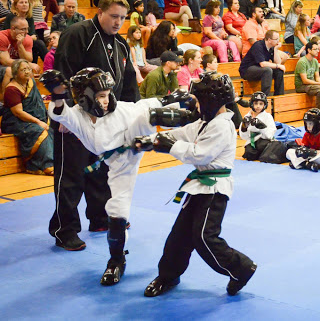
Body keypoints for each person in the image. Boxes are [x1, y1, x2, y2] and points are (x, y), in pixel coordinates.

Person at [42, 67, 194, 285]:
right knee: (117, 214)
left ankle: (195, 119)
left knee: (148, 115)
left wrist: (172, 99)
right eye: (100, 96)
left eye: (107, 95)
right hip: (118, 163)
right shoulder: (77, 115)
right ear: (85, 98)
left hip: (134, 139)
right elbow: (60, 112)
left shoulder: (122, 110)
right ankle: (116, 260)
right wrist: (57, 93)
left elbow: (145, 105)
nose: (105, 101)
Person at [133, 72, 257, 298]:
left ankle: (241, 268)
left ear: (211, 102)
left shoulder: (222, 126)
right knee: (179, 235)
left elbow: (200, 155)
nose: (197, 106)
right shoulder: (204, 123)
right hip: (199, 187)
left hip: (215, 190)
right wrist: (149, 141)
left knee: (204, 237)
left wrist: (168, 146)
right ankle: (168, 275)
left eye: (199, 101)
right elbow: (180, 133)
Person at [48, 0, 139, 251]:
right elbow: (63, 73)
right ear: (99, 11)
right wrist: (65, 113)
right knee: (71, 176)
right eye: (113, 16)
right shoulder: (78, 34)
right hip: (76, 119)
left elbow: (129, 83)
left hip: (107, 120)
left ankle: (100, 218)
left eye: (122, 17)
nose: (118, 22)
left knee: (101, 171)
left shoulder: (121, 44)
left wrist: (132, 117)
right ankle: (64, 230)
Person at [1, 59, 53, 175]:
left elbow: (38, 103)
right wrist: (38, 122)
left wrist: (44, 118)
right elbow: (18, 113)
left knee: (53, 127)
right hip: (14, 122)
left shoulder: (31, 82)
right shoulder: (11, 89)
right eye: (23, 70)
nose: (27, 72)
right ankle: (46, 165)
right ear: (15, 73)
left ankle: (48, 163)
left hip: (32, 118)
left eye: (28, 69)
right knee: (39, 131)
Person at [295, 41, 320, 119]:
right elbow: (305, 80)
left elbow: (317, 78)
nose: (318, 51)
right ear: (309, 50)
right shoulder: (302, 62)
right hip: (302, 86)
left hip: (311, 84)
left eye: (318, 49)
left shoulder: (315, 61)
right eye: (315, 49)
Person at [4, 0, 48, 65]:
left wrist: (28, 38)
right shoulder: (11, 17)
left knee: (37, 44)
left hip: (26, 40)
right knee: (36, 43)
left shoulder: (29, 17)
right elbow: (8, 33)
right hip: (12, 42)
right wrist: (28, 37)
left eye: (26, 2)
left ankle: (49, 63)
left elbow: (33, 34)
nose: (24, 4)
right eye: (21, 2)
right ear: (16, 6)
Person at [239, 29, 284, 96]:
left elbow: (278, 62)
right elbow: (262, 64)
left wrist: (276, 49)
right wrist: (277, 65)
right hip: (247, 70)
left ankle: (279, 96)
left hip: (259, 69)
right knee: (267, 70)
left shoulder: (271, 47)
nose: (278, 41)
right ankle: (264, 97)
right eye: (276, 39)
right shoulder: (258, 45)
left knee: (279, 70)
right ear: (269, 40)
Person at [239, 91, 276, 160]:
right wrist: (244, 128)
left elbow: (269, 135)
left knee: (262, 147)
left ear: (264, 105)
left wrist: (262, 127)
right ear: (251, 104)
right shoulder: (247, 117)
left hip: (265, 141)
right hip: (252, 142)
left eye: (261, 104)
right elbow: (244, 137)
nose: (258, 106)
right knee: (249, 154)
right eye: (256, 103)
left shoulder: (268, 116)